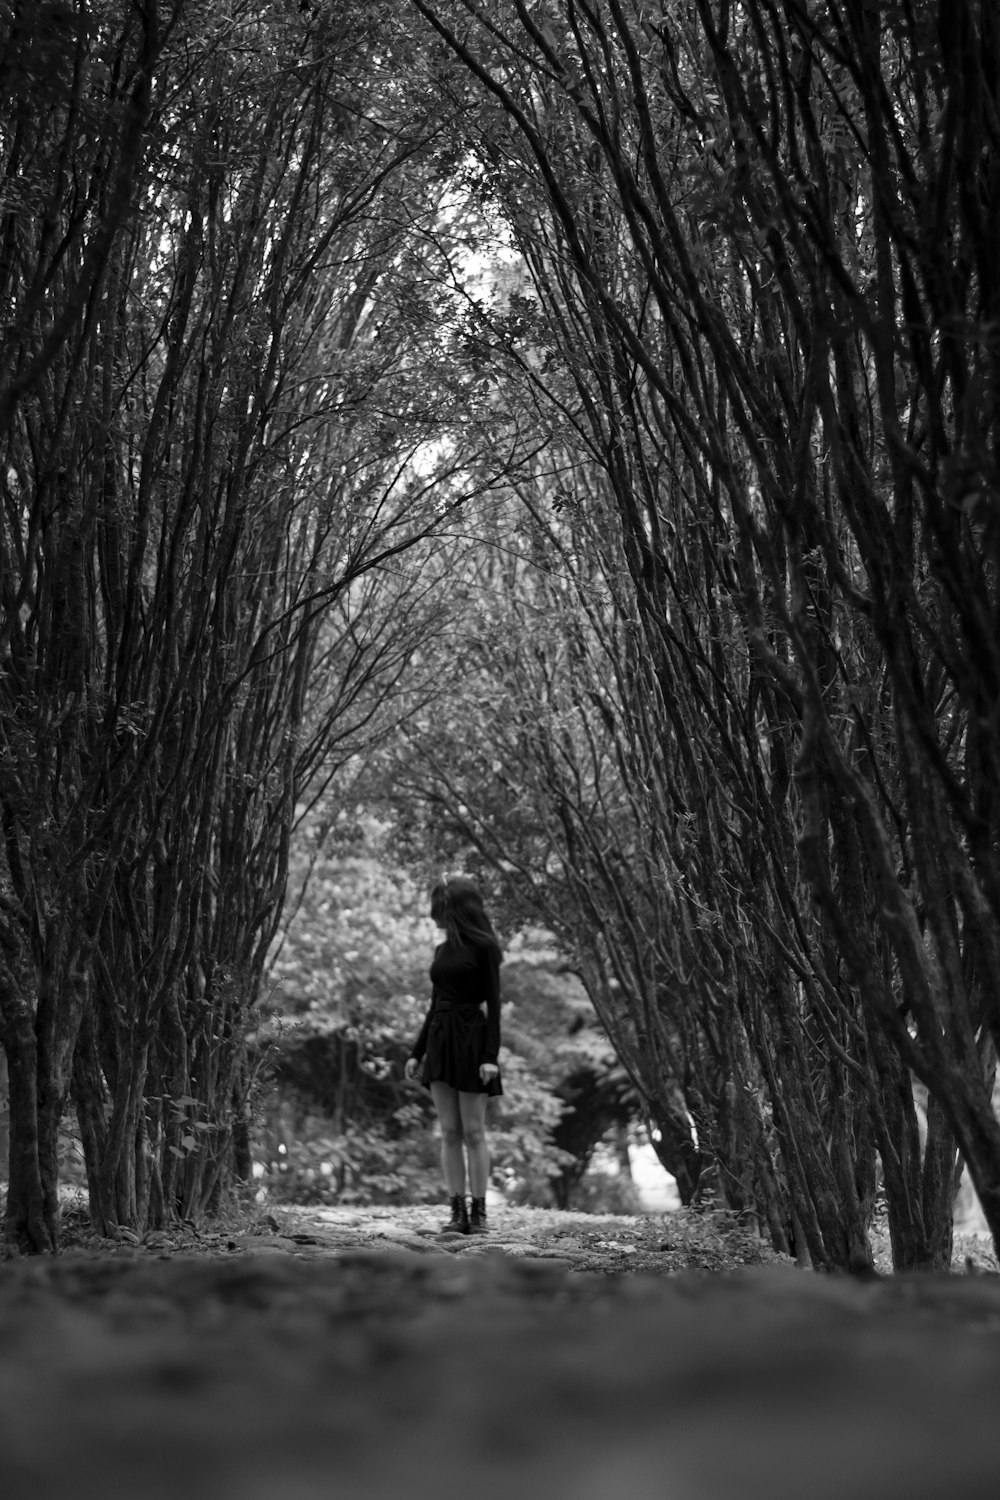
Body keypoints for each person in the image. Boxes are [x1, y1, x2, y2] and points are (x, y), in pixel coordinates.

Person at [405, 876, 502, 1235]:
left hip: (472, 1039)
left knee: (474, 1131)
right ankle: (456, 1211)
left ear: (458, 909)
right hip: (440, 1039)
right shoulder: (440, 952)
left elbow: (494, 1004)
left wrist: (490, 1055)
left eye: (441, 910)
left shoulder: (485, 947)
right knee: (448, 1131)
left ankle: (479, 1213)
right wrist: (417, 1052)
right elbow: (434, 1005)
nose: (435, 917)